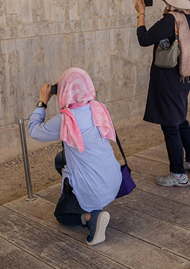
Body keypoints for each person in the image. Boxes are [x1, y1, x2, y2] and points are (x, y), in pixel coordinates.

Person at [28, 67, 121, 245]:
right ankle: (89, 200)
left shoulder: (66, 119)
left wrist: (43, 102)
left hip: (95, 189)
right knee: (60, 160)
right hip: (113, 181)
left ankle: (91, 217)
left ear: (64, 91)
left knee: (61, 215)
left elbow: (34, 131)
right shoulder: (99, 107)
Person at [134, 0, 190, 188]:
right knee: (181, 119)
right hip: (184, 74)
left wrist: (141, 13)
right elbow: (176, 13)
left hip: (168, 78)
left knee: (170, 125)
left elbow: (144, 39)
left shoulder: (170, 20)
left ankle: (178, 174)